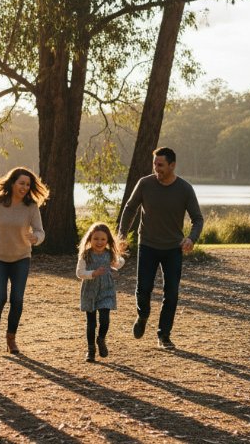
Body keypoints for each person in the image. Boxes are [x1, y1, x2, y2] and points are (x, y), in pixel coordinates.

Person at [117, 147, 204, 350]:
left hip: (173, 248)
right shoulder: (145, 184)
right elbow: (130, 208)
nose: (156, 168)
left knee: (171, 293)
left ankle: (164, 335)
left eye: (161, 165)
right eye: (155, 164)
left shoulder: (184, 189)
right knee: (143, 287)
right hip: (147, 244)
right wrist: (121, 234)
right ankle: (143, 315)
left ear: (172, 165)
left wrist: (191, 238)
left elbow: (197, 219)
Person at [0, 166, 48, 355]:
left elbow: (40, 230)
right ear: (12, 183)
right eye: (21, 183)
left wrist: (36, 238)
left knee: (17, 299)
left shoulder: (31, 207)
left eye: (28, 184)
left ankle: (11, 339)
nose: (24, 187)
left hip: (21, 258)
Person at [76, 222, 127, 362]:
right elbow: (79, 273)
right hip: (90, 291)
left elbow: (120, 261)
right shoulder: (85, 255)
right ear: (90, 239)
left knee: (104, 319)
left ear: (108, 241)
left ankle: (101, 339)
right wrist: (93, 273)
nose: (99, 242)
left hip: (106, 290)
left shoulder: (110, 255)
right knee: (91, 322)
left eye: (103, 239)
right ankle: (91, 350)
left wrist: (114, 268)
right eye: (96, 239)